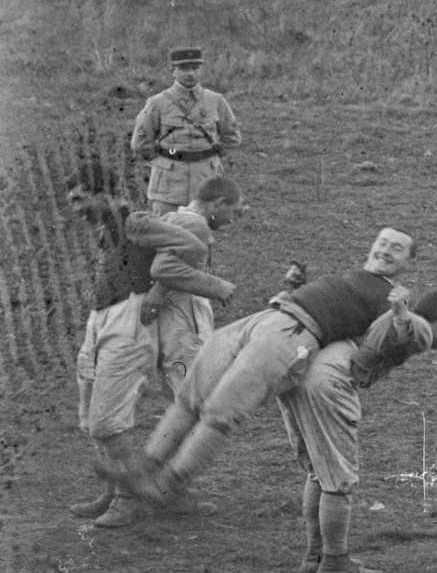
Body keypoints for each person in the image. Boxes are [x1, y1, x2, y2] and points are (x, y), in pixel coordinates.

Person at [109, 226, 417, 509]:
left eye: (397, 249)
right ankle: (145, 466)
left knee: (221, 411)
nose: (386, 251)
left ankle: (167, 487)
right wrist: (297, 285)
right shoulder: (357, 276)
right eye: (383, 243)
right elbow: (336, 305)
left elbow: (395, 347)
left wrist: (401, 313)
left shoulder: (391, 300)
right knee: (191, 397)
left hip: (293, 335)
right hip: (269, 316)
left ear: (409, 263)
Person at [278, 290, 437, 573]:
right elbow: (382, 348)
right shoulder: (421, 330)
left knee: (319, 472)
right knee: (338, 479)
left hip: (297, 369)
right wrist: (400, 317)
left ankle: (315, 558)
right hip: (328, 380)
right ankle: (334, 565)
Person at [62, 176, 209, 529]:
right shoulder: (108, 227)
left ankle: (132, 498)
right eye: (72, 201)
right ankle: (119, 490)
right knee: (90, 416)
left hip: (127, 320)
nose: (76, 208)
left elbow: (191, 247)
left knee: (106, 419)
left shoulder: (134, 221)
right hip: (101, 318)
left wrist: (159, 289)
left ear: (105, 192)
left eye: (82, 198)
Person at [146, 175, 246, 400]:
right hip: (184, 319)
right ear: (218, 204)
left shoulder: (175, 217)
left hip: (175, 317)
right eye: (234, 212)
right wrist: (216, 286)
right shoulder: (194, 224)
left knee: (180, 391)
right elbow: (166, 268)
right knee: (192, 393)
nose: (233, 221)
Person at [128, 46, 242, 212]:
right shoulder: (156, 103)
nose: (190, 74)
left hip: (206, 182)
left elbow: (232, 136)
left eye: (195, 68)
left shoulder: (216, 101)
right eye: (183, 69)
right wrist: (163, 159)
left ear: (201, 70)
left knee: (201, 233)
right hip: (168, 185)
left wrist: (211, 156)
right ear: (172, 71)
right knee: (166, 232)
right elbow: (140, 141)